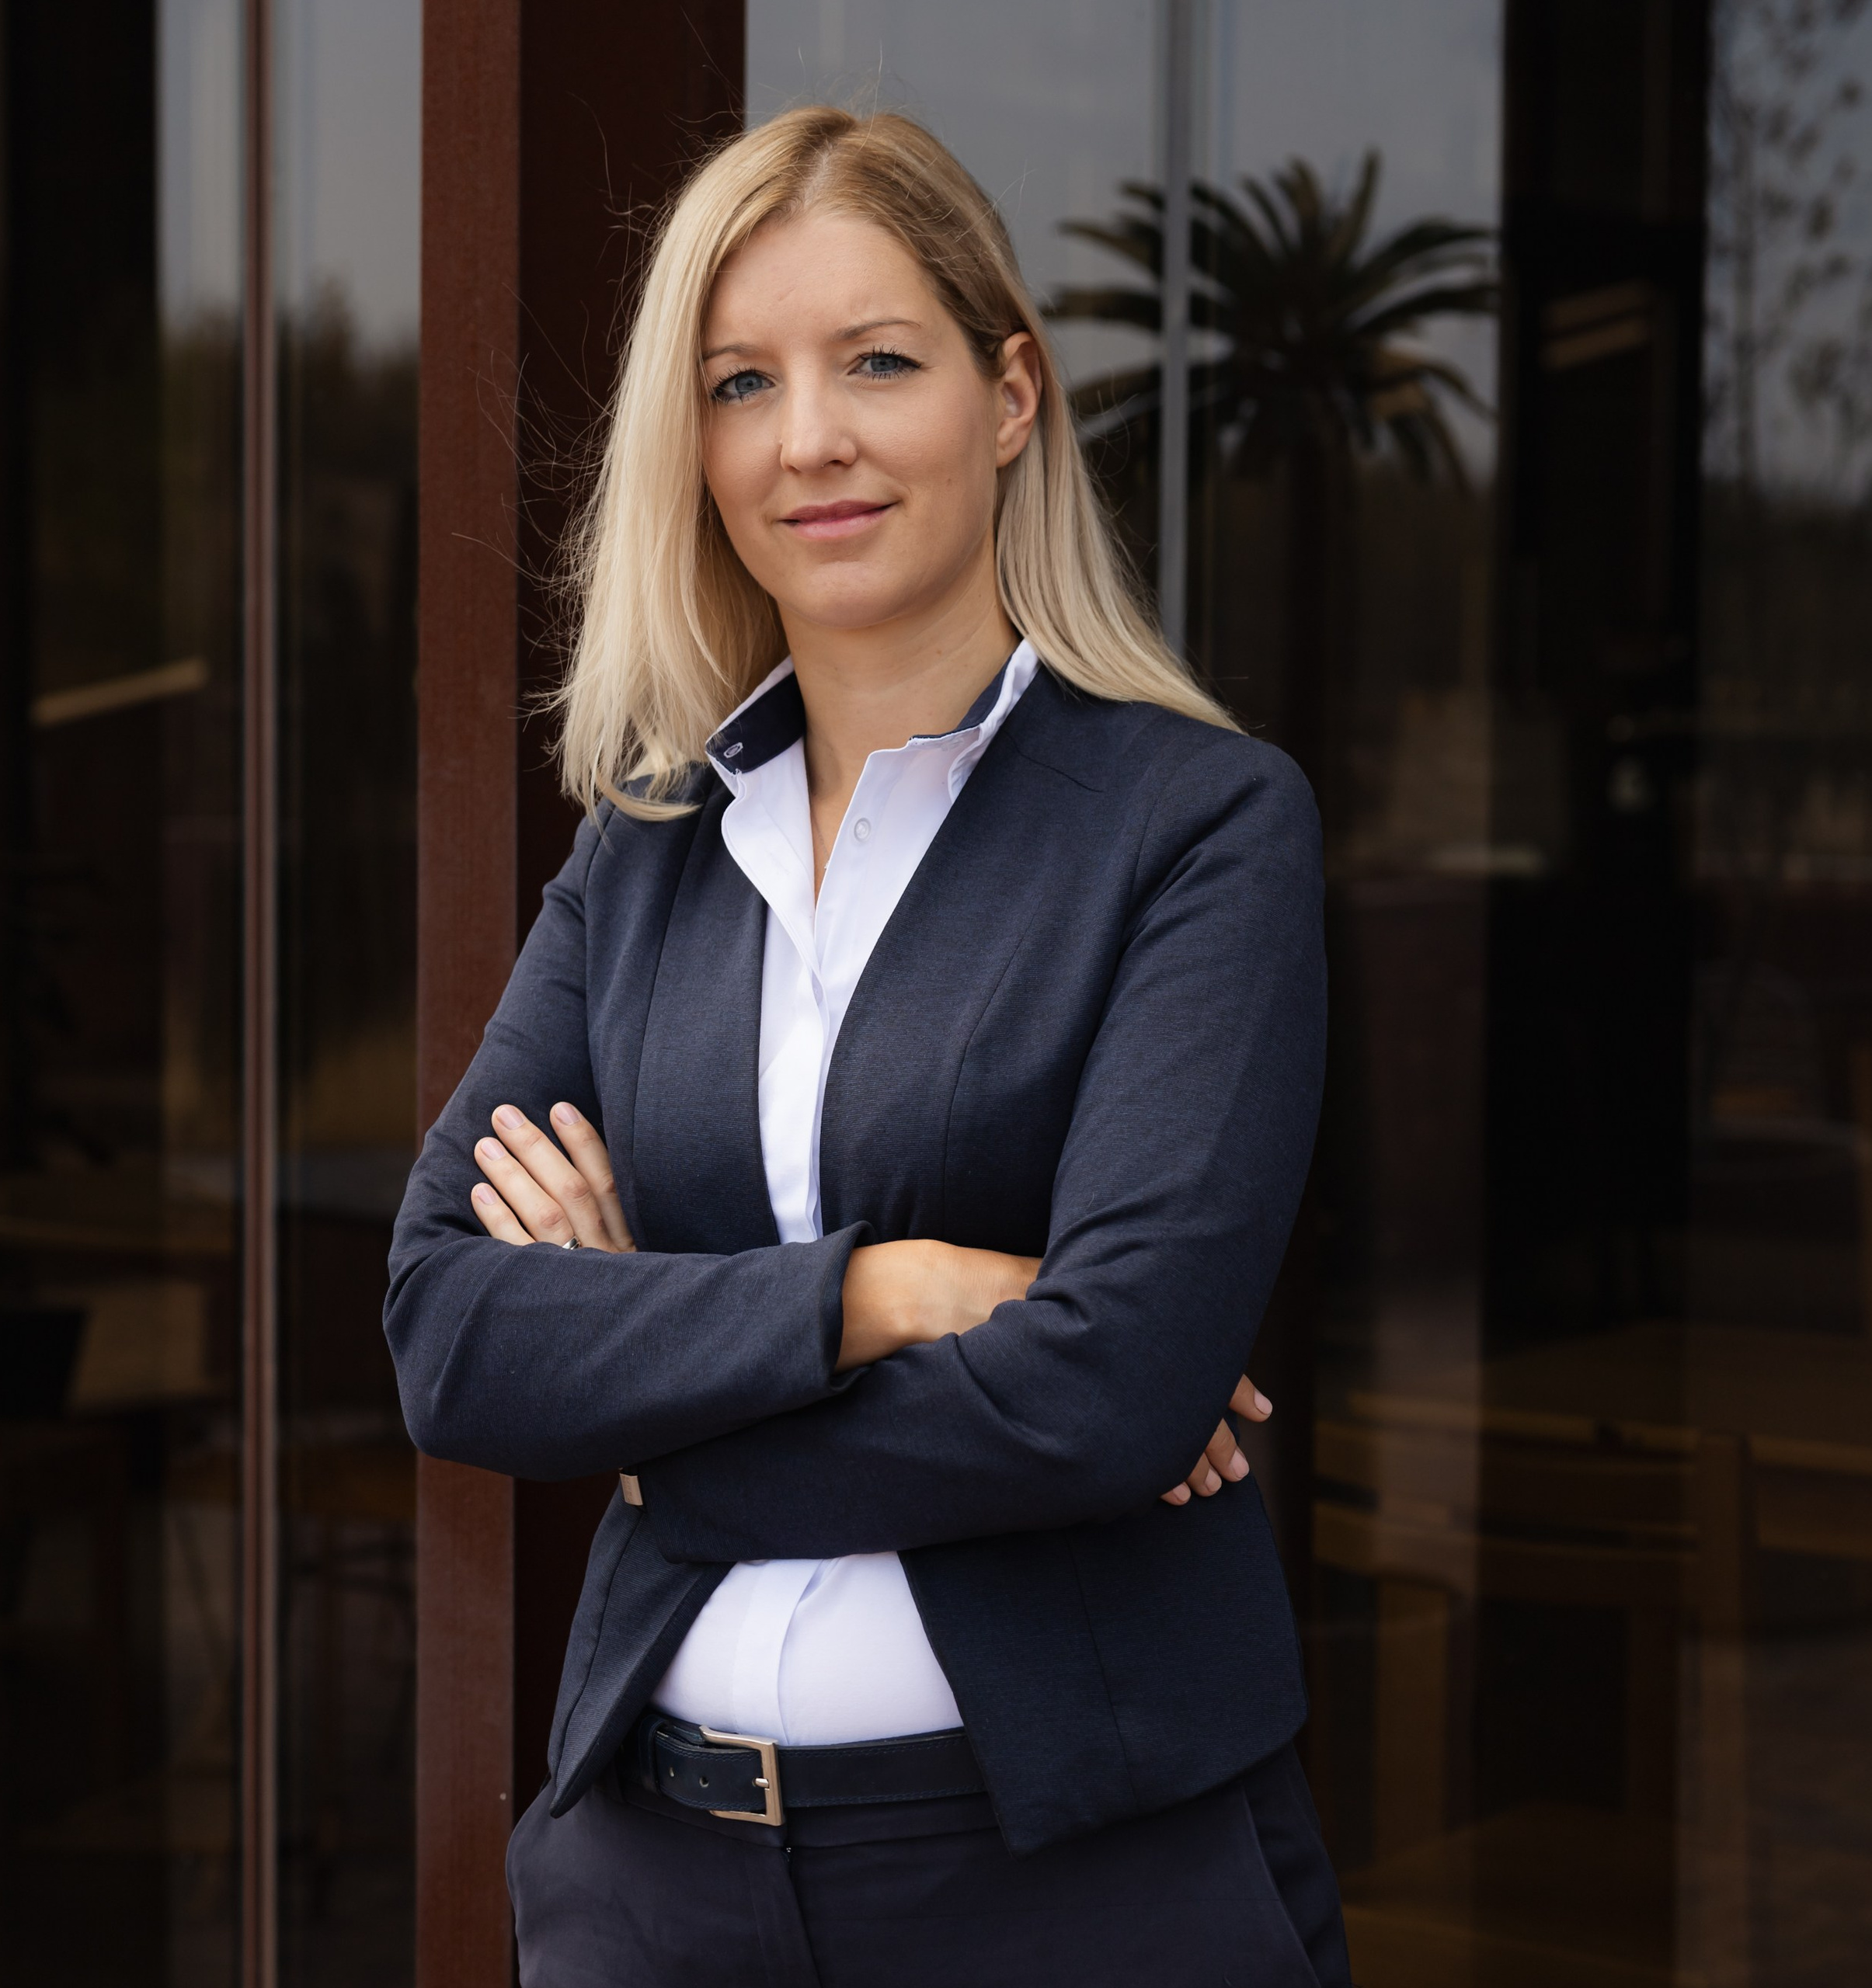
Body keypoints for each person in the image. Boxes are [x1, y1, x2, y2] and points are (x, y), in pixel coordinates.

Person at [385, 103, 1348, 1987]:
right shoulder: (646, 851)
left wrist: (656, 1410)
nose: (805, 434)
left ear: (1007, 396)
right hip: (652, 1880)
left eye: (875, 362)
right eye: (742, 382)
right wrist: (876, 1294)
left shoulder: (1199, 827)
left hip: (1072, 1885)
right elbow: (447, 1331)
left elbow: (1108, 1390)